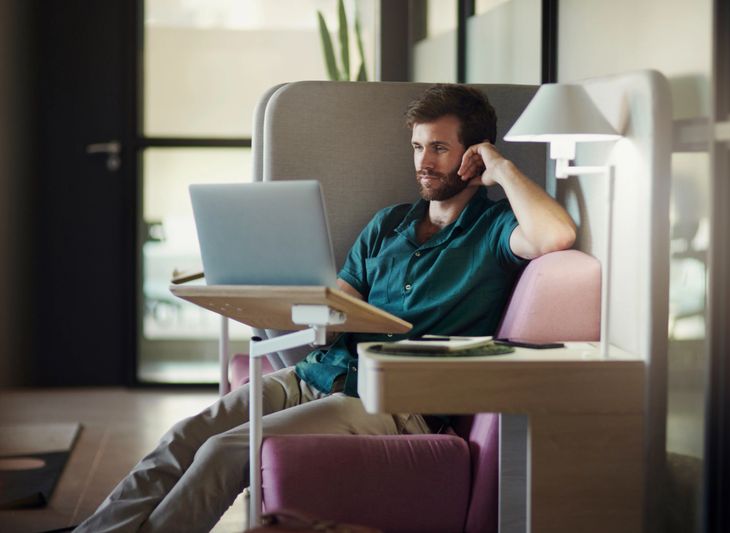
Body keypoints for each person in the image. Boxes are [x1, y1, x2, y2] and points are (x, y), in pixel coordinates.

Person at [75, 84, 576, 532]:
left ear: (474, 155)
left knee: (224, 450)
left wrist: (502, 168)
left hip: (389, 401)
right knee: (184, 436)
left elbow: (555, 235)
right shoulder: (388, 223)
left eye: (440, 148)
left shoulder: (494, 230)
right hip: (319, 371)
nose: (423, 162)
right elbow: (339, 308)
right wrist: (274, 297)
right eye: (417, 147)